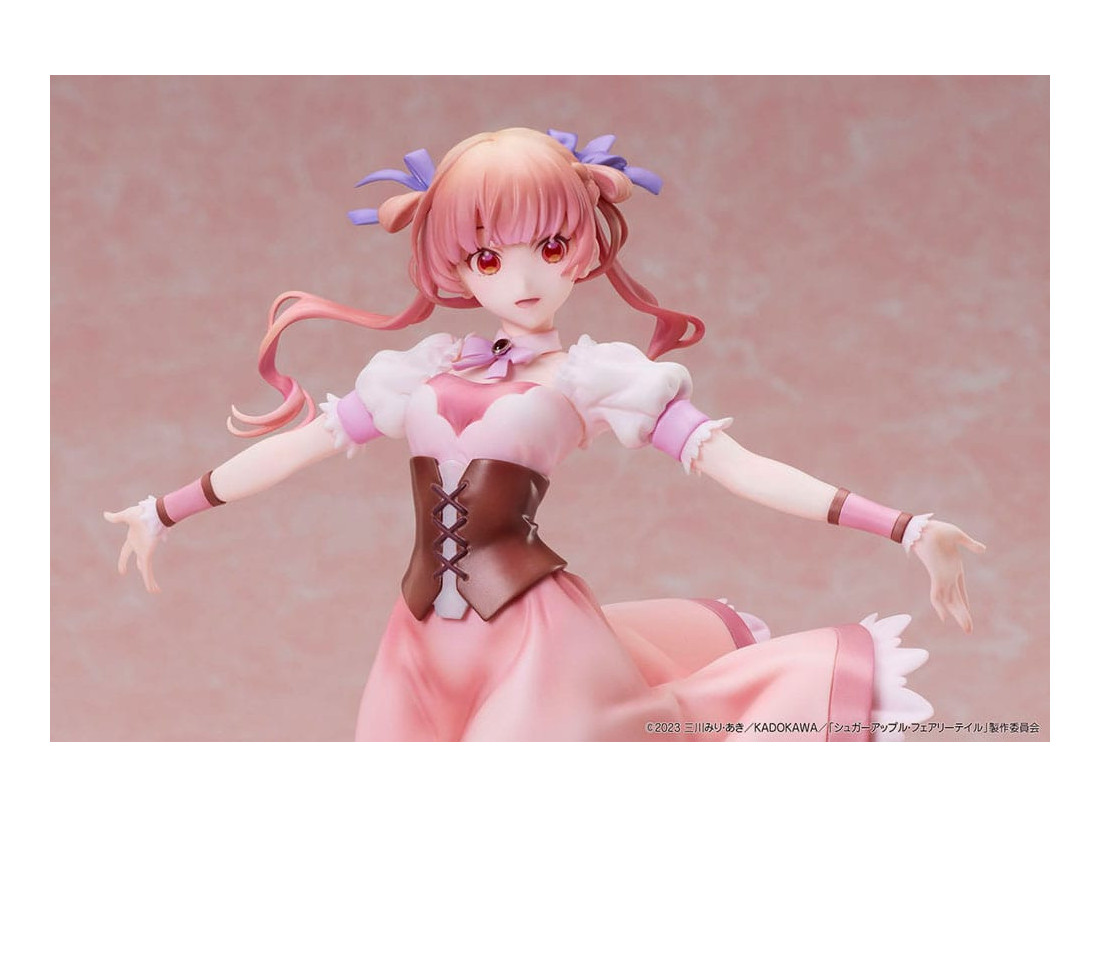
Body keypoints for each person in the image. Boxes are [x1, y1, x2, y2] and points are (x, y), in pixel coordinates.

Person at [105, 126, 984, 741]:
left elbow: (739, 466)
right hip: (417, 643)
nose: (522, 277)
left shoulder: (593, 376)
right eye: (489, 257)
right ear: (456, 265)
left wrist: (906, 527)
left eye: (550, 247)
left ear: (583, 247)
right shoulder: (417, 371)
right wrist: (163, 510)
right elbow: (297, 447)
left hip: (537, 639)